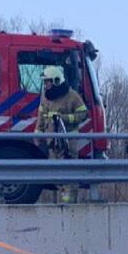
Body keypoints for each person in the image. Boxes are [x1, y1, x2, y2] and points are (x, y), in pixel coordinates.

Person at [35, 65, 88, 204]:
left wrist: (66, 118)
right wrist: (38, 134)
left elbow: (83, 114)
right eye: (45, 82)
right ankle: (63, 199)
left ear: (57, 81)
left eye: (48, 81)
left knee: (69, 173)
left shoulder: (72, 96)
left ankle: (70, 204)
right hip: (52, 141)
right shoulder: (45, 97)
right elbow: (41, 116)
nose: (46, 85)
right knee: (57, 173)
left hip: (68, 140)